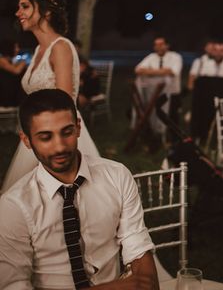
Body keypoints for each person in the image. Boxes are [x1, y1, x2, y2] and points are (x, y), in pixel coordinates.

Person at [0, 89, 158, 289]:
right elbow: (13, 284)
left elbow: (137, 245)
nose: (59, 147)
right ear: (26, 141)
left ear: (78, 128)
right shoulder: (14, 205)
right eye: (45, 137)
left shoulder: (117, 175)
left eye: (66, 132)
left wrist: (147, 284)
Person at [2, 0, 100, 194]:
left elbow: (64, 101)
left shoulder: (61, 47)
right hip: (36, 131)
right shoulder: (39, 50)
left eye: (25, 6)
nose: (18, 13)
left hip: (58, 134)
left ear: (46, 11)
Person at [187, 39, 223, 143]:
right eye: (216, 50)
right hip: (204, 103)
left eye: (221, 50)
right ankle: (201, 139)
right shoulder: (204, 64)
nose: (218, 53)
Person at [134, 37, 183, 142]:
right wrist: (161, 71)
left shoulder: (175, 57)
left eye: (161, 44)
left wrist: (150, 71)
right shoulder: (151, 57)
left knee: (172, 119)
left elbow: (173, 72)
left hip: (172, 93)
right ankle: (152, 134)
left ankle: (172, 139)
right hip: (153, 92)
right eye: (156, 45)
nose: (158, 47)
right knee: (149, 109)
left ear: (167, 46)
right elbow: (138, 70)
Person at [0, 38, 26, 107]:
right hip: (5, 95)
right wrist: (23, 63)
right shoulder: (1, 60)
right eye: (16, 47)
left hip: (12, 94)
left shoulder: (9, 61)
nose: (18, 49)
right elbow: (16, 71)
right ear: (9, 48)